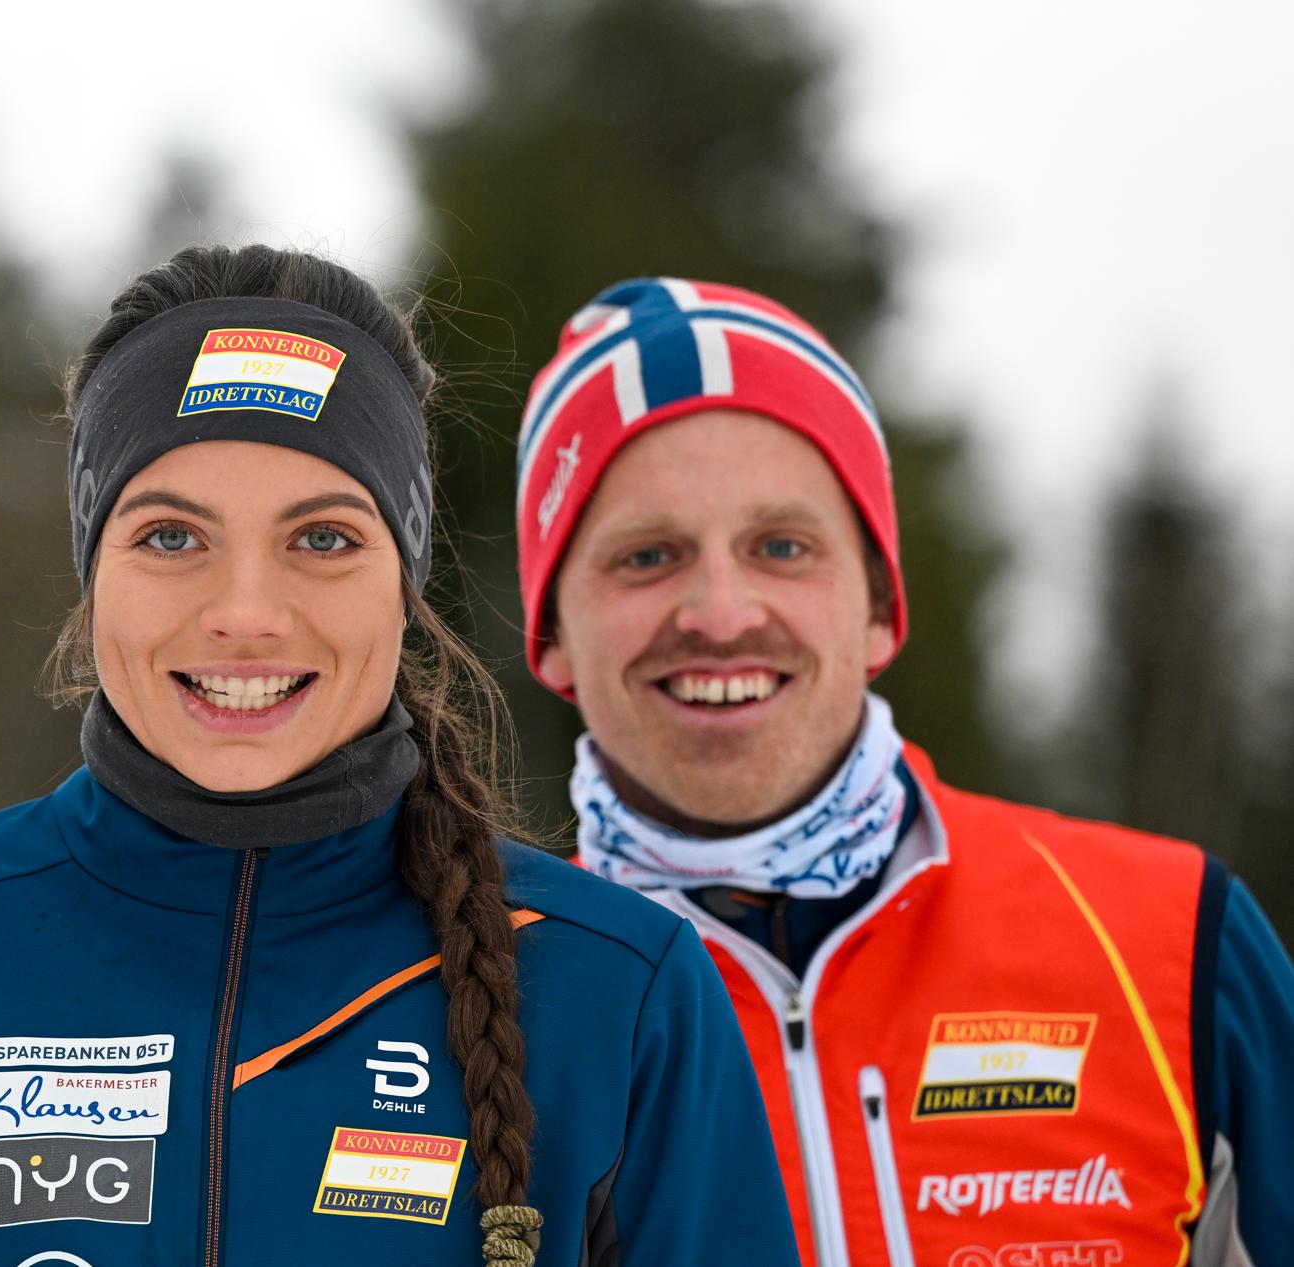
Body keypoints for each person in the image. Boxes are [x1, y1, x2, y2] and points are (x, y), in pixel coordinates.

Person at [0, 247, 799, 1266]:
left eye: (322, 539)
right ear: (91, 574)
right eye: (172, 537)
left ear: (401, 588)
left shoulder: (622, 990)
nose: (246, 613)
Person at [512, 276, 1294, 1267]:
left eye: (780, 545)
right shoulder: (471, 1006)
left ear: (879, 604)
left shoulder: (1173, 939)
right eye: (647, 556)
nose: (718, 610)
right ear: (552, 639)